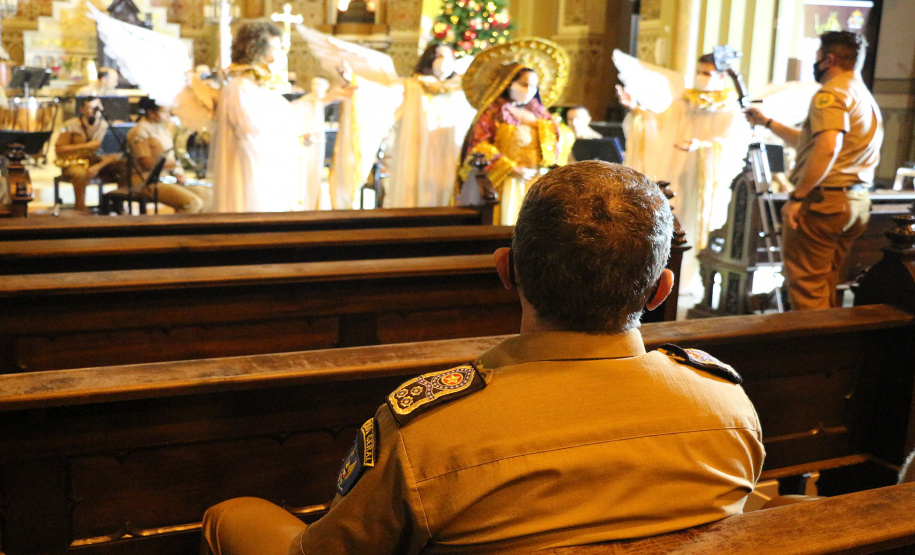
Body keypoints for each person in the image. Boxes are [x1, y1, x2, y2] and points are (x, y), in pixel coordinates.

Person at [201, 161, 765, 555]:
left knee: (233, 516)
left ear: (506, 270)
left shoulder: (431, 430)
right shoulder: (728, 408)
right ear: (661, 290)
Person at [745, 31, 883, 310]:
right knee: (826, 284)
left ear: (829, 60)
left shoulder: (831, 94)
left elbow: (827, 148)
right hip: (854, 202)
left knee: (807, 291)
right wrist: (767, 122)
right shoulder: (861, 94)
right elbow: (813, 142)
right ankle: (829, 338)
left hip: (823, 204)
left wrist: (797, 198)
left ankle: (812, 340)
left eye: (817, 56)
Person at [617, 52, 752, 294]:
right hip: (674, 171)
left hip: (701, 177)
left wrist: (703, 146)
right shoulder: (684, 103)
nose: (701, 77)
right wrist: (636, 109)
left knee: (688, 226)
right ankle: (656, 277)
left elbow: (734, 142)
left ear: (722, 77)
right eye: (699, 72)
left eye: (707, 73)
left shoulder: (730, 109)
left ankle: (684, 279)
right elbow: (659, 124)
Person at [211, 22, 311, 213]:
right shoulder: (240, 87)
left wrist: (297, 136)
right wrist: (289, 139)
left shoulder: (260, 87)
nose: (279, 54)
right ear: (257, 50)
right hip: (249, 176)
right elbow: (250, 132)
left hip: (268, 175)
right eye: (276, 48)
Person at [460, 64, 561, 225]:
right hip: (505, 180)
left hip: (536, 180)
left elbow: (554, 145)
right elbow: (479, 146)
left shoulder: (541, 114)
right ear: (508, 84)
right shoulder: (493, 112)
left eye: (534, 86)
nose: (529, 90)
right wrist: (511, 168)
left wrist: (536, 124)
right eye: (524, 84)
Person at [385, 43, 476, 208]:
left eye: (449, 57)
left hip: (450, 152)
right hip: (419, 151)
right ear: (429, 59)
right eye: (439, 56)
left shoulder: (460, 90)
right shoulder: (412, 86)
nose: (445, 61)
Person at [120, 97, 212, 213]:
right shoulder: (139, 131)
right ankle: (178, 225)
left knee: (208, 196)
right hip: (146, 181)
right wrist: (172, 165)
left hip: (167, 178)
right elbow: (146, 164)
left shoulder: (164, 129)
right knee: (193, 203)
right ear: (151, 112)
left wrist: (178, 173)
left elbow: (170, 157)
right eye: (165, 112)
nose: (169, 115)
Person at [54, 95, 127, 211]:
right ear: (82, 110)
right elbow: (59, 149)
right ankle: (80, 208)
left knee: (125, 165)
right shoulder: (70, 125)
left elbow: (116, 153)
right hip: (77, 163)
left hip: (99, 162)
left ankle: (118, 204)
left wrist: (98, 166)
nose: (95, 111)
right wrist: (86, 146)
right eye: (90, 108)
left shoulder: (107, 126)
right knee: (80, 174)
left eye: (97, 107)